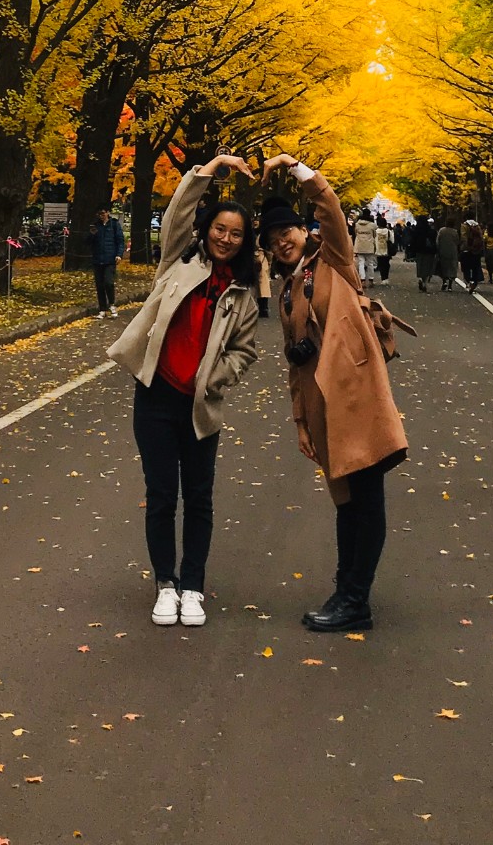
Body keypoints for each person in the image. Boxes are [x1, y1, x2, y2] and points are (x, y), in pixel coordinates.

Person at [108, 156, 259, 629]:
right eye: (219, 229)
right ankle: (165, 585)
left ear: (243, 240)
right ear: (207, 228)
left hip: (200, 405)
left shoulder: (243, 293)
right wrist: (208, 169)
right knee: (160, 494)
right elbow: (175, 215)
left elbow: (244, 351)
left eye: (235, 234)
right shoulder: (177, 264)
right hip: (155, 396)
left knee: (199, 496)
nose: (225, 239)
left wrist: (214, 379)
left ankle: (192, 585)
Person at [259, 158, 408, 633]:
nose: (282, 240)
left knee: (365, 497)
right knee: (348, 502)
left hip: (358, 399)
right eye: (271, 238)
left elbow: (330, 207)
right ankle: (347, 592)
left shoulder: (334, 261)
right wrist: (301, 422)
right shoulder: (287, 292)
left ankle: (354, 597)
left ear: (302, 231)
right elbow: (295, 365)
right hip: (325, 409)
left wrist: (295, 167)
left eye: (287, 231)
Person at [89, 204, 125, 318]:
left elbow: (120, 240)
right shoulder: (95, 226)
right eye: (99, 214)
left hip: (110, 259)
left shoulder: (114, 225)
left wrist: (119, 254)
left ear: (108, 213)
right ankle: (102, 309)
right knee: (99, 285)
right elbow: (88, 242)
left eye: (103, 213)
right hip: (97, 258)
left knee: (108, 283)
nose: (101, 216)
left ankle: (112, 304)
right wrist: (91, 234)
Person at [412, 214, 438, 292]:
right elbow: (434, 240)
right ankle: (425, 283)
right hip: (429, 251)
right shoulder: (430, 230)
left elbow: (413, 241)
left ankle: (420, 278)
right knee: (427, 267)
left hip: (419, 251)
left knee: (420, 265)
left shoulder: (416, 230)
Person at [352, 208, 378, 287]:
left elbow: (355, 233)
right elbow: (375, 235)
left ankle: (362, 280)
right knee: (370, 263)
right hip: (369, 245)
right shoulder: (372, 225)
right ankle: (371, 280)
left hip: (360, 245)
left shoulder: (357, 224)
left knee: (361, 263)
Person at [460, 216, 485, 292]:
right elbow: (481, 237)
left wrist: (465, 247)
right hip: (476, 250)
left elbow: (463, 237)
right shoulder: (477, 226)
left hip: (467, 250)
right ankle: (475, 281)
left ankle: (468, 281)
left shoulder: (464, 226)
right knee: (475, 266)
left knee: (466, 266)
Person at [435, 215, 460, 291]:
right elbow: (457, 241)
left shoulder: (441, 230)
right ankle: (450, 285)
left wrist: (437, 249)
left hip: (443, 250)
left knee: (443, 267)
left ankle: (444, 281)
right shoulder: (455, 232)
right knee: (452, 267)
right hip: (452, 251)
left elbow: (437, 241)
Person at [374, 215, 392, 286]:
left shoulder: (376, 231)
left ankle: (383, 278)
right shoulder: (388, 231)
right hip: (387, 250)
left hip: (378, 250)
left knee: (381, 264)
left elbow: (373, 240)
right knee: (386, 264)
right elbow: (392, 240)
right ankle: (386, 278)